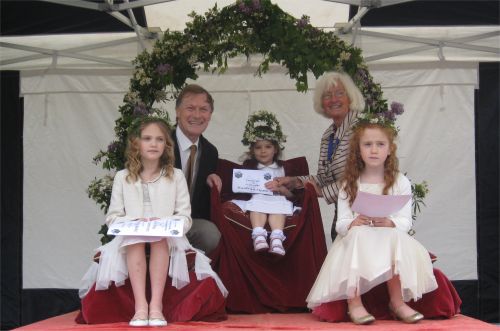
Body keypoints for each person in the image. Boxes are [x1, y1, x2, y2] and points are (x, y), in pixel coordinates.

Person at [81, 117, 227, 327]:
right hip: (131, 236)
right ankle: (141, 307)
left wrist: (166, 224)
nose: (153, 144)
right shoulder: (123, 177)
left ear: (166, 145)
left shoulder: (175, 176)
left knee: (158, 238)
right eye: (147, 138)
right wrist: (136, 222)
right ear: (136, 144)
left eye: (159, 139)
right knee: (135, 239)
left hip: (167, 237)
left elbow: (185, 216)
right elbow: (113, 217)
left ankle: (156, 306)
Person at [306, 121, 437, 325]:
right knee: (358, 234)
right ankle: (355, 302)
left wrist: (389, 222)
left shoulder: (399, 181)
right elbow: (340, 224)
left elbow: (405, 221)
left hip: (385, 234)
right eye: (367, 144)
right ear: (358, 150)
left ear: (390, 149)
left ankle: (397, 301)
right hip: (356, 238)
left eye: (380, 144)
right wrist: (354, 223)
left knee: (394, 236)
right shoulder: (349, 183)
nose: (374, 150)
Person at [275, 71, 365, 241]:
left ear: (351, 98)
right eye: (327, 95)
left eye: (340, 93)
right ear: (321, 103)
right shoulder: (328, 135)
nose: (333, 100)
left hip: (365, 216)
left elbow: (361, 177)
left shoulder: (361, 129)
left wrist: (322, 192)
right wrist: (294, 181)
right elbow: (323, 179)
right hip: (342, 212)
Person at [233, 110, 294, 256]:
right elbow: (242, 187)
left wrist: (280, 189)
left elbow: (291, 194)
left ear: (275, 149)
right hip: (257, 198)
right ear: (252, 150)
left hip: (277, 198)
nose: (263, 151)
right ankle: (259, 235)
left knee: (279, 207)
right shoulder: (249, 166)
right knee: (257, 204)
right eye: (258, 147)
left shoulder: (282, 168)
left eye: (268, 147)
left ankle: (277, 238)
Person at [172, 84, 222, 254]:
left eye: (204, 109)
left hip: (188, 223)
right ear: (177, 111)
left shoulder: (210, 152)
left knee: (210, 234)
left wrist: (213, 186)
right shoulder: (159, 143)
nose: (197, 115)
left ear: (210, 115)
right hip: (155, 221)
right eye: (190, 108)